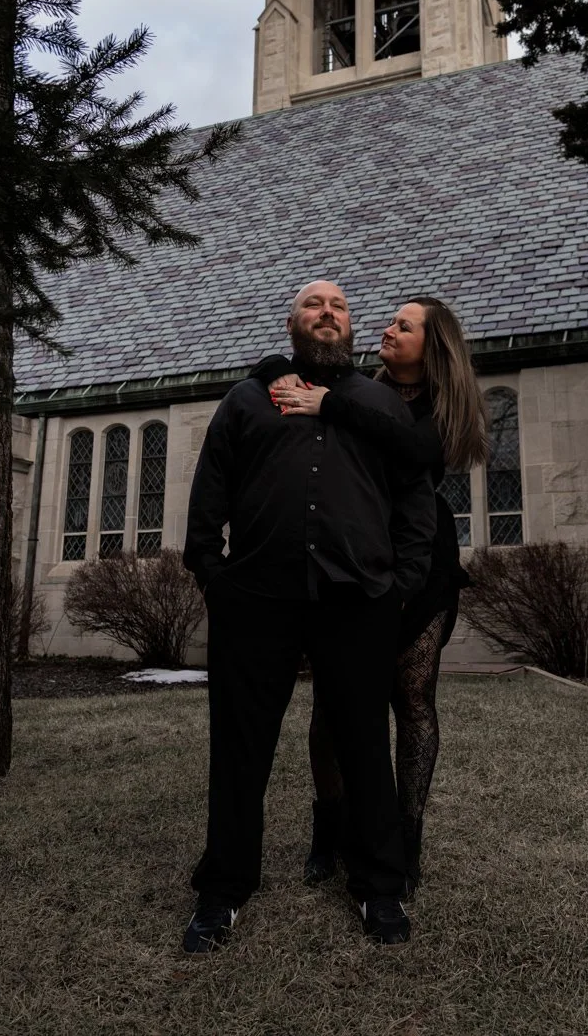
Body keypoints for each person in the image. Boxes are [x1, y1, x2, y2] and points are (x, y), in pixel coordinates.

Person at [182, 280, 436, 953]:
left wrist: (402, 582)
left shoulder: (379, 404)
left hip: (358, 600)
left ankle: (379, 887)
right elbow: (211, 487)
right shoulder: (247, 398)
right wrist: (212, 571)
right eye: (312, 304)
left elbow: (417, 498)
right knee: (240, 746)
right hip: (257, 597)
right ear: (293, 322)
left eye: (339, 306)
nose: (327, 312)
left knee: (363, 746)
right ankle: (223, 888)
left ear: (352, 326)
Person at [253, 295, 488, 896]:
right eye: (388, 320)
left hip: (421, 567)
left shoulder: (443, 409)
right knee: (334, 707)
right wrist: (279, 369)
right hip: (354, 562)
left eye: (403, 326)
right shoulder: (360, 388)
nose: (388, 329)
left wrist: (332, 404)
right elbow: (300, 379)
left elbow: (415, 451)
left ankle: (405, 838)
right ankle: (327, 830)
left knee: (413, 700)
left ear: (431, 347)